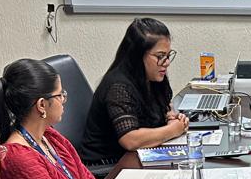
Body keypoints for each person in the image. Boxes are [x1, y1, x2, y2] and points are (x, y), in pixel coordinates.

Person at [0, 58, 98, 179]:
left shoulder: (51, 136)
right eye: (59, 95)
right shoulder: (16, 157)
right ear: (41, 105)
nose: (63, 100)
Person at [80, 16, 187, 163]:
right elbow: (130, 140)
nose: (166, 62)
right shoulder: (118, 87)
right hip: (109, 165)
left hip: (136, 156)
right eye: (160, 56)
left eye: (168, 55)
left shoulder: (153, 76)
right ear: (137, 55)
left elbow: (165, 105)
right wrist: (172, 130)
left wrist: (172, 117)